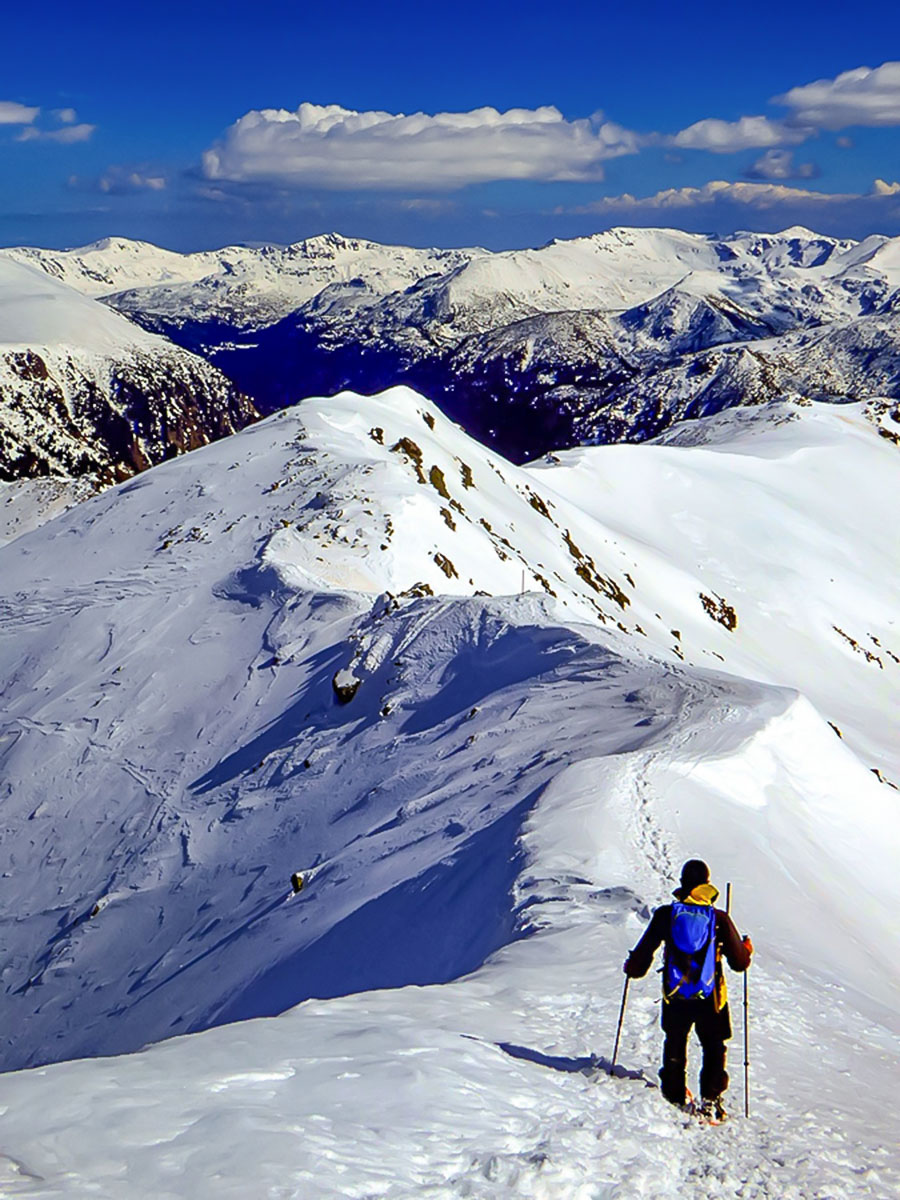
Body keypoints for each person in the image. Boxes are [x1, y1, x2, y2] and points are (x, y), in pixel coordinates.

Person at [624, 859, 752, 1121]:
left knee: (675, 1041)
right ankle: (711, 1100)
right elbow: (739, 964)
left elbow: (642, 955)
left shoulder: (666, 915)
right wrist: (746, 949)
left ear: (682, 884)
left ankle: (673, 1096)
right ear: (707, 884)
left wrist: (632, 968)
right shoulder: (718, 918)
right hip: (711, 996)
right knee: (714, 1045)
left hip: (676, 993)